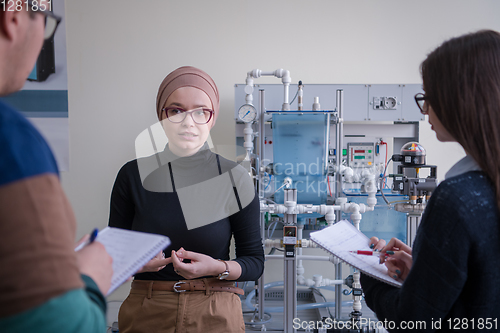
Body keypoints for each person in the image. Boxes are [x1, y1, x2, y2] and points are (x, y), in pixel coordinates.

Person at [361, 30, 500, 332]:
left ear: (459, 99)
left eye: (428, 99)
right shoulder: (486, 189)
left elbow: (412, 321)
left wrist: (370, 273)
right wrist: (427, 271)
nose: (425, 112)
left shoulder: (456, 199)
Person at [109, 66, 265, 333]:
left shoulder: (235, 178)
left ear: (212, 118)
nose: (188, 122)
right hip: (147, 311)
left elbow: (254, 262)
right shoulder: (132, 175)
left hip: (215, 311)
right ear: (161, 116)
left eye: (201, 111)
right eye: (176, 110)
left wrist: (218, 267)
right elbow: (111, 255)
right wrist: (135, 263)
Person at [0, 2, 114, 332]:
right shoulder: (13, 144)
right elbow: (64, 324)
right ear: (14, 17)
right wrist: (89, 279)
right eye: (47, 23)